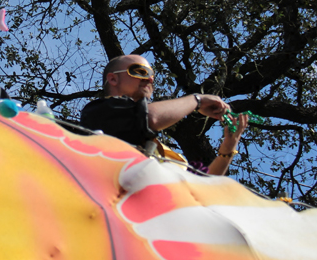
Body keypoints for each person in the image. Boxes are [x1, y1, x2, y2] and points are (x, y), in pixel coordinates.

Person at [80, 54, 248, 175]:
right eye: (140, 71)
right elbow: (150, 117)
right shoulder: (97, 112)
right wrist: (198, 100)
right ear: (113, 79)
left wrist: (228, 148)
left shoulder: (165, 153)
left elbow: (205, 188)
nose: (150, 79)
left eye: (152, 75)